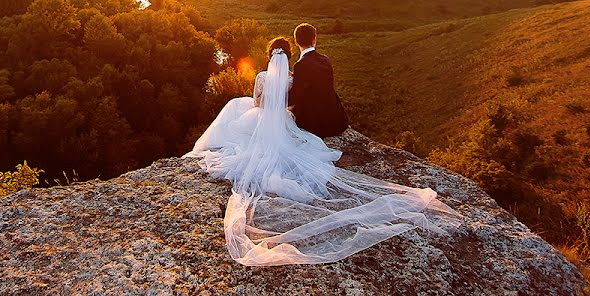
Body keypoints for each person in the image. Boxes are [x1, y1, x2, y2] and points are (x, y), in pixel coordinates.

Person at [185, 30, 461, 266]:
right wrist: (286, 114)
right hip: (288, 119)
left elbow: (259, 104)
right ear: (290, 54)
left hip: (264, 115)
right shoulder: (298, 73)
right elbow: (292, 102)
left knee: (235, 106)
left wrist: (269, 108)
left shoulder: (261, 76)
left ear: (270, 55)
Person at [289, 23, 350, 137]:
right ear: (314, 40)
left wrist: (275, 102)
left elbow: (295, 95)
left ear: (296, 41)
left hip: (314, 122)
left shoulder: (300, 65)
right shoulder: (325, 60)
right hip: (335, 119)